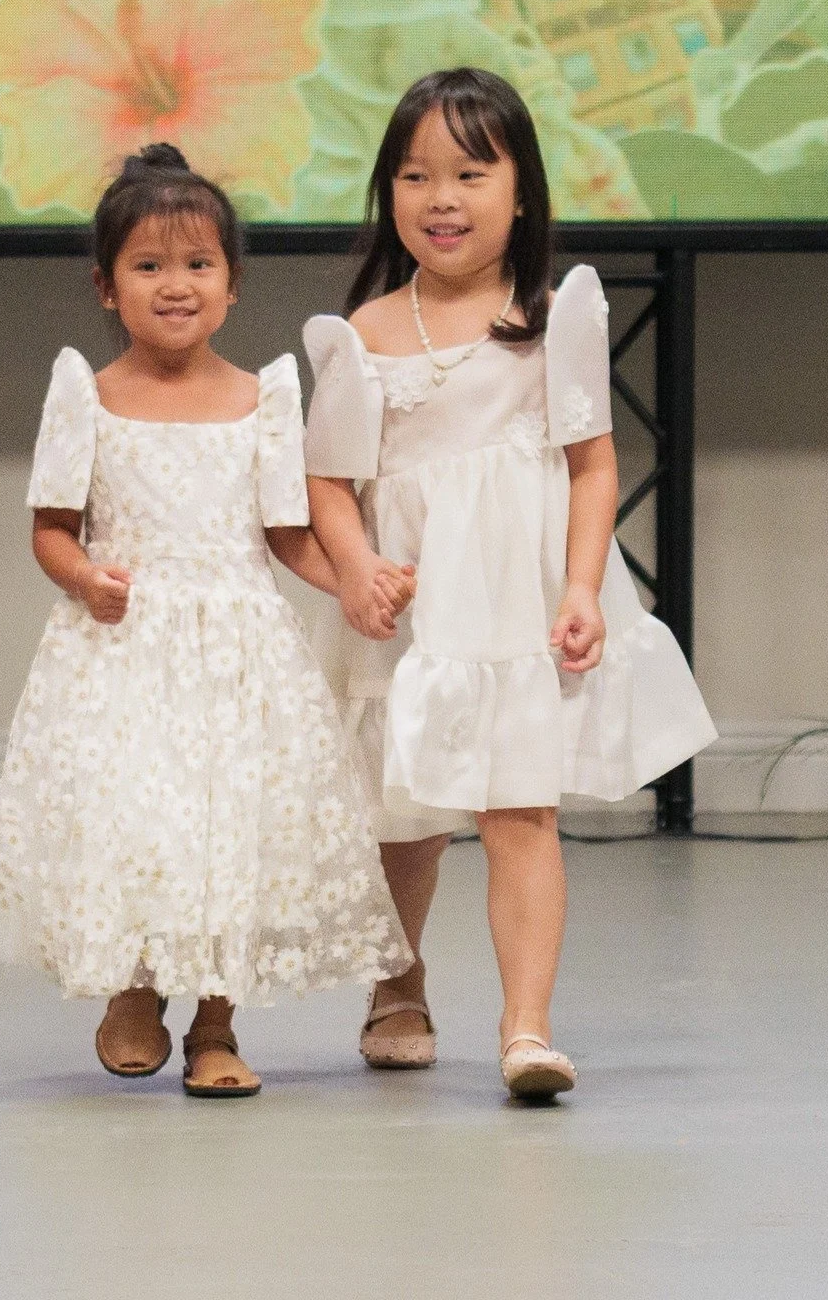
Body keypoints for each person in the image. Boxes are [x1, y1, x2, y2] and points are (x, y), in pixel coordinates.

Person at [303, 69, 717, 1099]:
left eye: (470, 173)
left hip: (516, 600)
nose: (441, 198)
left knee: (518, 807)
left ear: (522, 191)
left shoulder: (550, 317)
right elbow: (327, 482)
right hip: (414, 605)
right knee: (408, 814)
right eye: (415, 175)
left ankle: (526, 1027)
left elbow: (591, 465)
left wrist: (581, 587)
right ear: (387, 194)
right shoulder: (364, 331)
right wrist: (355, 568)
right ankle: (396, 985)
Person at [0, 144, 412, 1098]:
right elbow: (51, 530)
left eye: (196, 265)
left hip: (237, 658)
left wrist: (352, 578)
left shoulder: (262, 399)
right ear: (106, 286)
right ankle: (134, 990)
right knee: (137, 819)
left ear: (230, 285)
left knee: (231, 830)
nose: (174, 286)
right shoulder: (87, 398)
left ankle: (217, 1023)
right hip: (125, 653)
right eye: (147, 266)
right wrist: (85, 578)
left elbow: (285, 535)